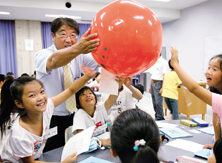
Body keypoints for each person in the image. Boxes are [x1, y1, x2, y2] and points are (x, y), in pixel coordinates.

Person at [0, 66, 96, 162]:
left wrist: (87, 77)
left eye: (42, 91)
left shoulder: (46, 107)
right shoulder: (20, 134)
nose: (41, 98)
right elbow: (30, 162)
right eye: (32, 95)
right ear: (19, 103)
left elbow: (70, 90)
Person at [34, 17, 100, 152]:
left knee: (74, 150)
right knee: (51, 152)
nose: (69, 40)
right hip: (49, 117)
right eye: (63, 34)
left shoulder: (80, 55)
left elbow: (100, 61)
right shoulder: (43, 55)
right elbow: (54, 61)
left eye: (73, 35)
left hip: (73, 115)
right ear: (53, 36)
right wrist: (78, 48)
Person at [72, 77, 130, 146]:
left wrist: (118, 87)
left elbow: (111, 100)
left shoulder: (100, 107)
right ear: (78, 104)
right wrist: (102, 142)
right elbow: (81, 137)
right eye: (83, 94)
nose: (87, 95)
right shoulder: (80, 114)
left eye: (90, 93)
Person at [149, 54, 169, 120]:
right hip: (153, 83)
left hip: (159, 83)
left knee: (158, 102)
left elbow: (165, 76)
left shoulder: (163, 62)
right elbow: (152, 75)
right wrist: (150, 86)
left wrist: (163, 87)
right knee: (154, 102)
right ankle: (157, 116)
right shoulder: (154, 62)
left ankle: (160, 118)